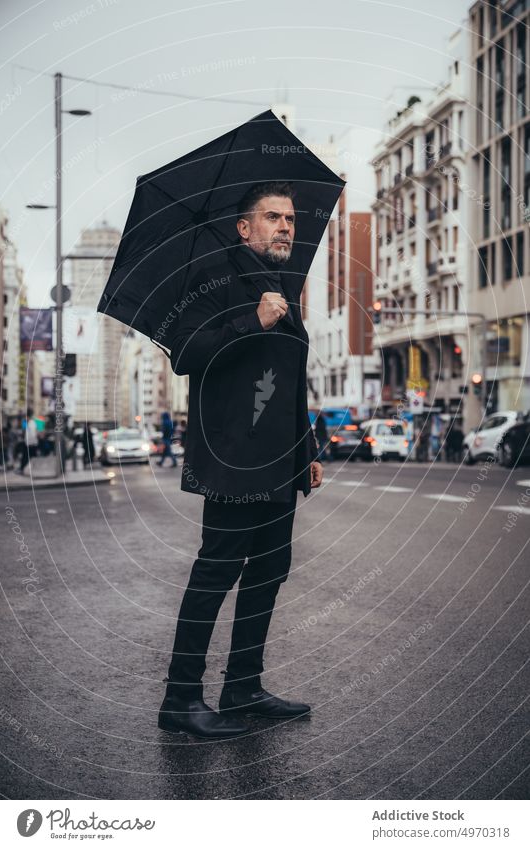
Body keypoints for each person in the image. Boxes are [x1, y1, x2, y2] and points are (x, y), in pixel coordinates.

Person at [159, 181, 323, 739]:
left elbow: (287, 379)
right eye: (273, 217)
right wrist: (252, 320)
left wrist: (308, 448)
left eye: (291, 220)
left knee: (269, 574)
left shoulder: (283, 285)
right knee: (215, 574)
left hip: (280, 461)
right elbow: (184, 354)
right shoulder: (212, 280)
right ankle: (180, 699)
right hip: (233, 457)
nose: (285, 227)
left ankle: (243, 686)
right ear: (244, 228)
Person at [17, 409, 38, 474]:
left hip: (30, 443)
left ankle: (22, 469)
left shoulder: (30, 422)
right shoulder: (30, 422)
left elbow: (31, 434)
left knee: (26, 457)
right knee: (28, 457)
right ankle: (22, 468)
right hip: (30, 443)